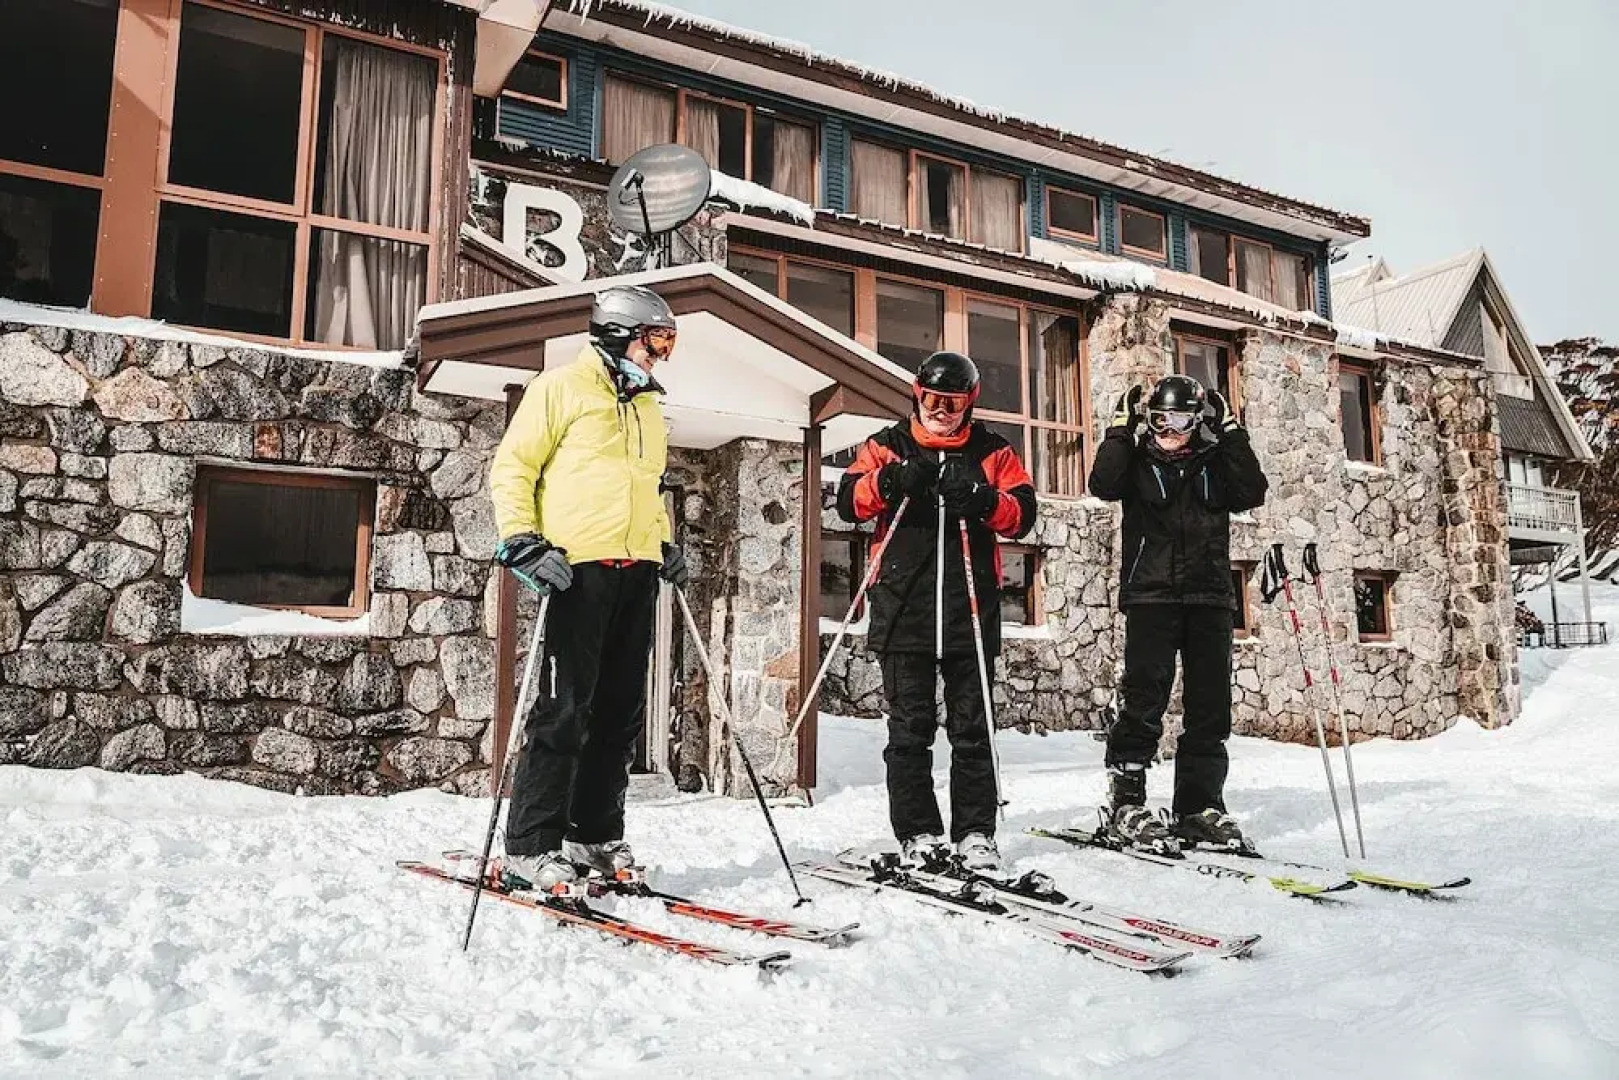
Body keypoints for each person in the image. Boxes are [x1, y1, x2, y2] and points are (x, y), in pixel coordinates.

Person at [488, 284, 689, 890]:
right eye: (655, 340)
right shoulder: (560, 388)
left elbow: (646, 489)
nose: (661, 354)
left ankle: (592, 835)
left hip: (637, 574)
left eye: (667, 342)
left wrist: (664, 545)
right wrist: (522, 541)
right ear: (616, 334)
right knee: (563, 712)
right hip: (575, 572)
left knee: (619, 714)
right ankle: (531, 843)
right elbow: (513, 467)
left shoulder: (650, 408)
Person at [837, 351, 1037, 872]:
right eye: (931, 399)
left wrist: (982, 498)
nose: (940, 410)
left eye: (950, 402)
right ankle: (918, 832)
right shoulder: (887, 445)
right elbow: (847, 501)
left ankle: (975, 833)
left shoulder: (992, 450)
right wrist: (890, 482)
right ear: (916, 395)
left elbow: (1023, 516)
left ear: (967, 403)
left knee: (972, 729)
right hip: (905, 609)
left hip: (969, 611)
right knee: (909, 732)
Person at [1088, 374, 1269, 854]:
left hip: (1209, 596)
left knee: (1210, 706)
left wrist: (1231, 430)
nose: (1171, 429)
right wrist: (1120, 429)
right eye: (1161, 419)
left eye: (1183, 418)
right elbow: (1102, 482)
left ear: (1198, 419)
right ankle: (1126, 802)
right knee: (1144, 698)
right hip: (1151, 596)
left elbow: (1253, 489)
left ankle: (1198, 806)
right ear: (1149, 420)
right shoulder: (1137, 461)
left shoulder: (1215, 461)